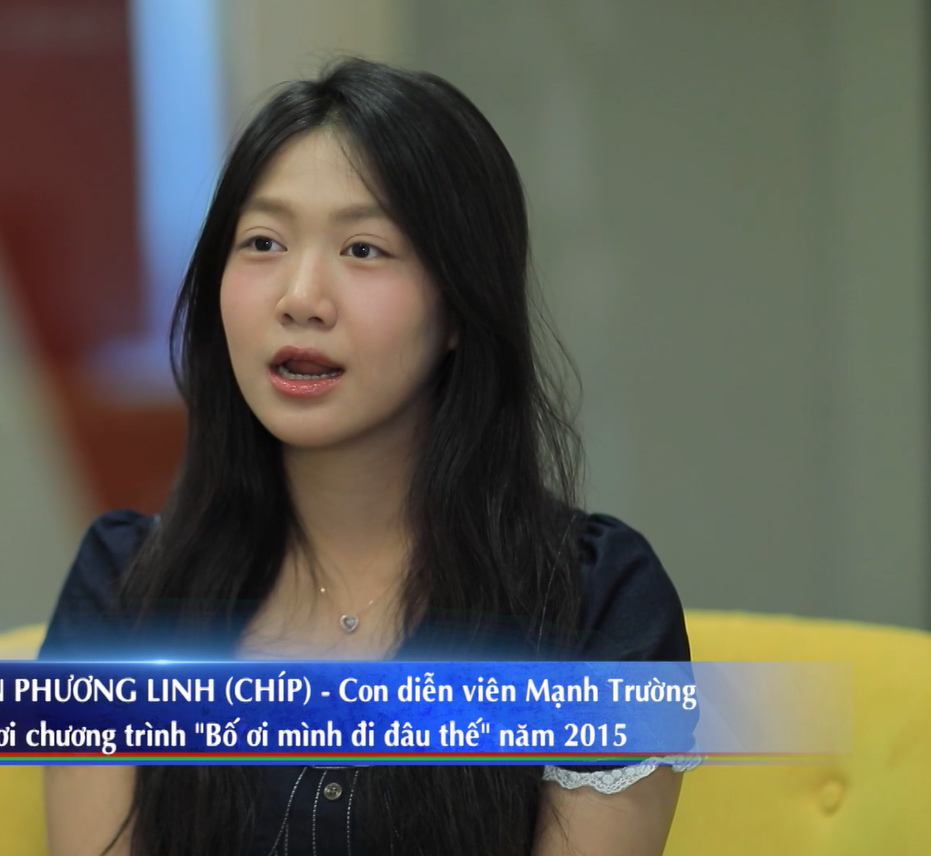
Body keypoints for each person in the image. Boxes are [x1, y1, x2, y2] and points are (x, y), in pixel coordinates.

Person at [39, 58, 695, 856]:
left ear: (459, 306)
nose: (300, 298)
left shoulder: (595, 604)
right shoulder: (123, 590)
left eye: (362, 249)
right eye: (262, 242)